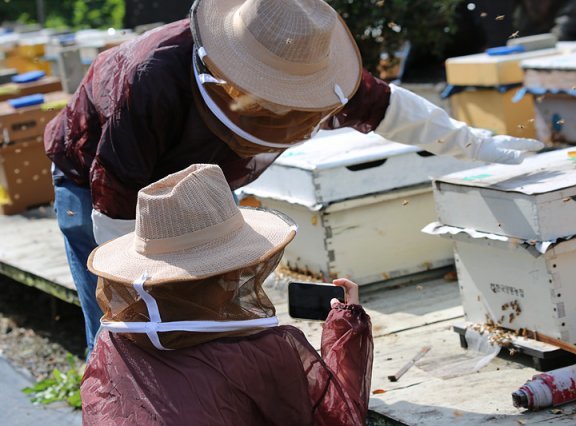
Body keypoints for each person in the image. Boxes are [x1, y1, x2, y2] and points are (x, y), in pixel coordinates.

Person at [44, 0, 544, 355]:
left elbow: (388, 106)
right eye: (272, 96)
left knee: (208, 327)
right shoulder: (148, 78)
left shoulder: (303, 59)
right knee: (121, 340)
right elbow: (115, 205)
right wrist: (140, 301)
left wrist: (477, 144)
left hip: (201, 191)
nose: (284, 110)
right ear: (231, 71)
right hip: (96, 186)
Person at [80, 163, 374, 425]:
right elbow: (337, 417)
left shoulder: (113, 344)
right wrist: (347, 329)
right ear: (233, 273)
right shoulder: (264, 352)